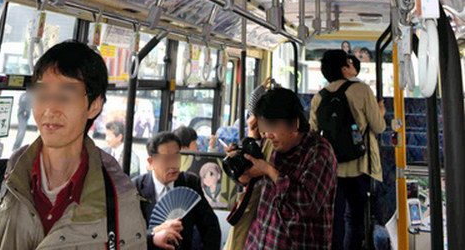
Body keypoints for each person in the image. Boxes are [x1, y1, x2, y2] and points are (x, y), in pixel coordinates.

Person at [0, 40, 156, 250]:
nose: (50, 109)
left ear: (94, 106)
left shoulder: (119, 199)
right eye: (42, 94)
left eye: (65, 95)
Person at [310, 49, 386, 250]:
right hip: (361, 165)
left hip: (331, 168)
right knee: (355, 219)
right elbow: (378, 127)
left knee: (335, 220)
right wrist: (380, 112)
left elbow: (313, 133)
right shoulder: (362, 90)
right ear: (344, 69)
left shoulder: (319, 97)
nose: (353, 65)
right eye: (349, 62)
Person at [242, 88, 337, 250]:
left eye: (273, 126)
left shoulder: (319, 152)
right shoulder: (270, 145)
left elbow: (306, 204)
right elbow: (250, 182)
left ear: (294, 123)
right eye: (265, 127)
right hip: (259, 241)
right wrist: (243, 168)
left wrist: (270, 171)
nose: (268, 134)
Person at [134, 131, 221, 250]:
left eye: (176, 157)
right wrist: (153, 234)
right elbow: (130, 236)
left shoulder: (190, 183)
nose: (174, 165)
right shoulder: (136, 188)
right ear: (151, 162)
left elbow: (210, 226)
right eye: (167, 159)